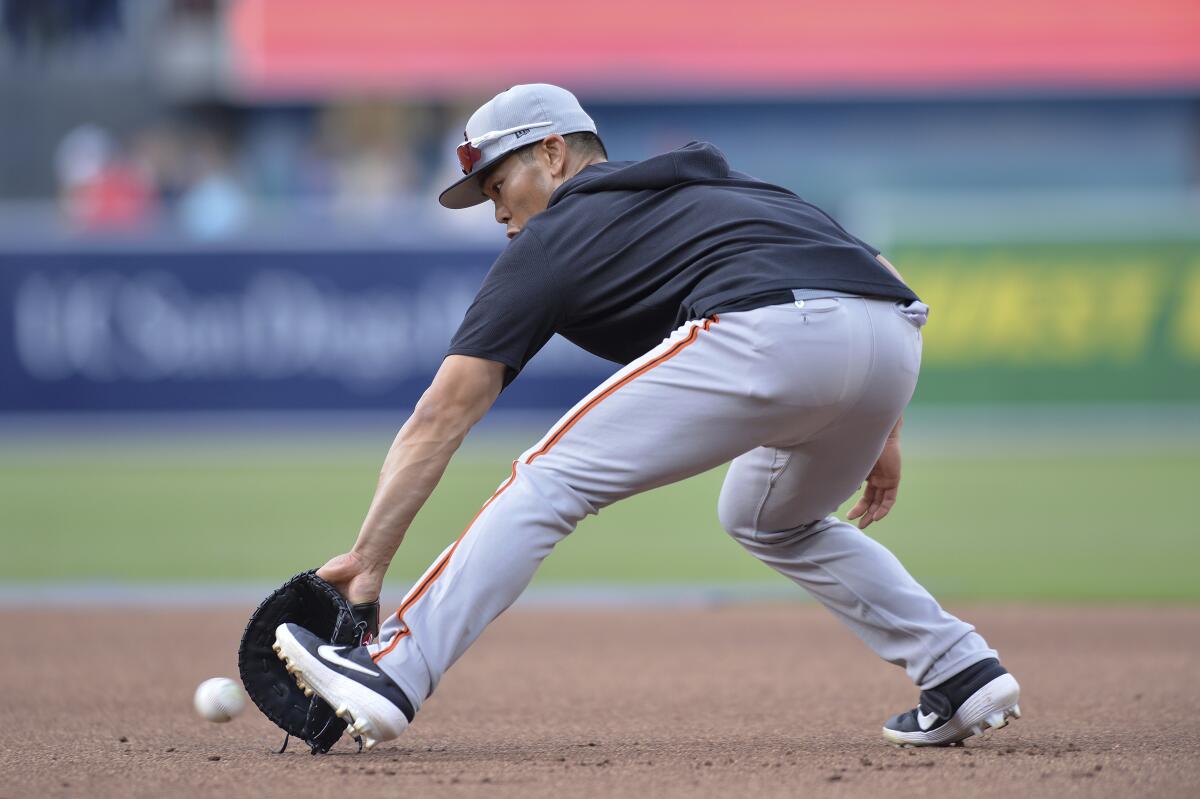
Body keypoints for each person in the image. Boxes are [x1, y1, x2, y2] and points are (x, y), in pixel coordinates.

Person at [273, 84, 1021, 750]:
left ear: (554, 154)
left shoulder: (555, 234)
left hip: (767, 334)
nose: (497, 210)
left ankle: (394, 670)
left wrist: (370, 559)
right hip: (892, 340)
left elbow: (442, 413)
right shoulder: (732, 187)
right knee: (769, 516)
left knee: (547, 479)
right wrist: (879, 425)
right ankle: (958, 665)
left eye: (498, 183)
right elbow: (882, 277)